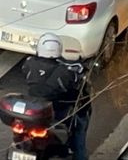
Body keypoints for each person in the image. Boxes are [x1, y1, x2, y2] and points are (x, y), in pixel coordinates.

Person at [22, 32, 91, 160]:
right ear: (58, 49)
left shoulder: (29, 63)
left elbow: (25, 71)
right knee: (80, 125)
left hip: (33, 110)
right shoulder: (64, 72)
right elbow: (75, 79)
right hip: (56, 111)